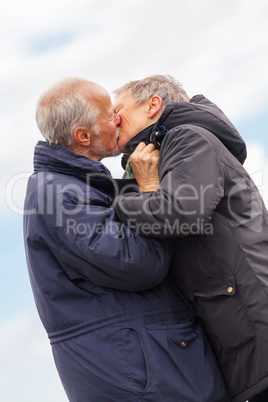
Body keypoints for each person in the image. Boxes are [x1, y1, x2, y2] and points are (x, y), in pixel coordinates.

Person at [23, 77, 230, 401]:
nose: (118, 119)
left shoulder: (74, 186)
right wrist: (150, 190)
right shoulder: (58, 194)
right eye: (109, 114)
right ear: (83, 136)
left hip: (152, 370)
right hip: (146, 379)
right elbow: (139, 262)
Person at [113, 75, 268, 402]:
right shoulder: (174, 147)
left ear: (153, 106)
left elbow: (182, 211)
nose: (113, 121)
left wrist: (124, 202)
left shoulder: (186, 138)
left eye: (120, 111)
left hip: (256, 325)